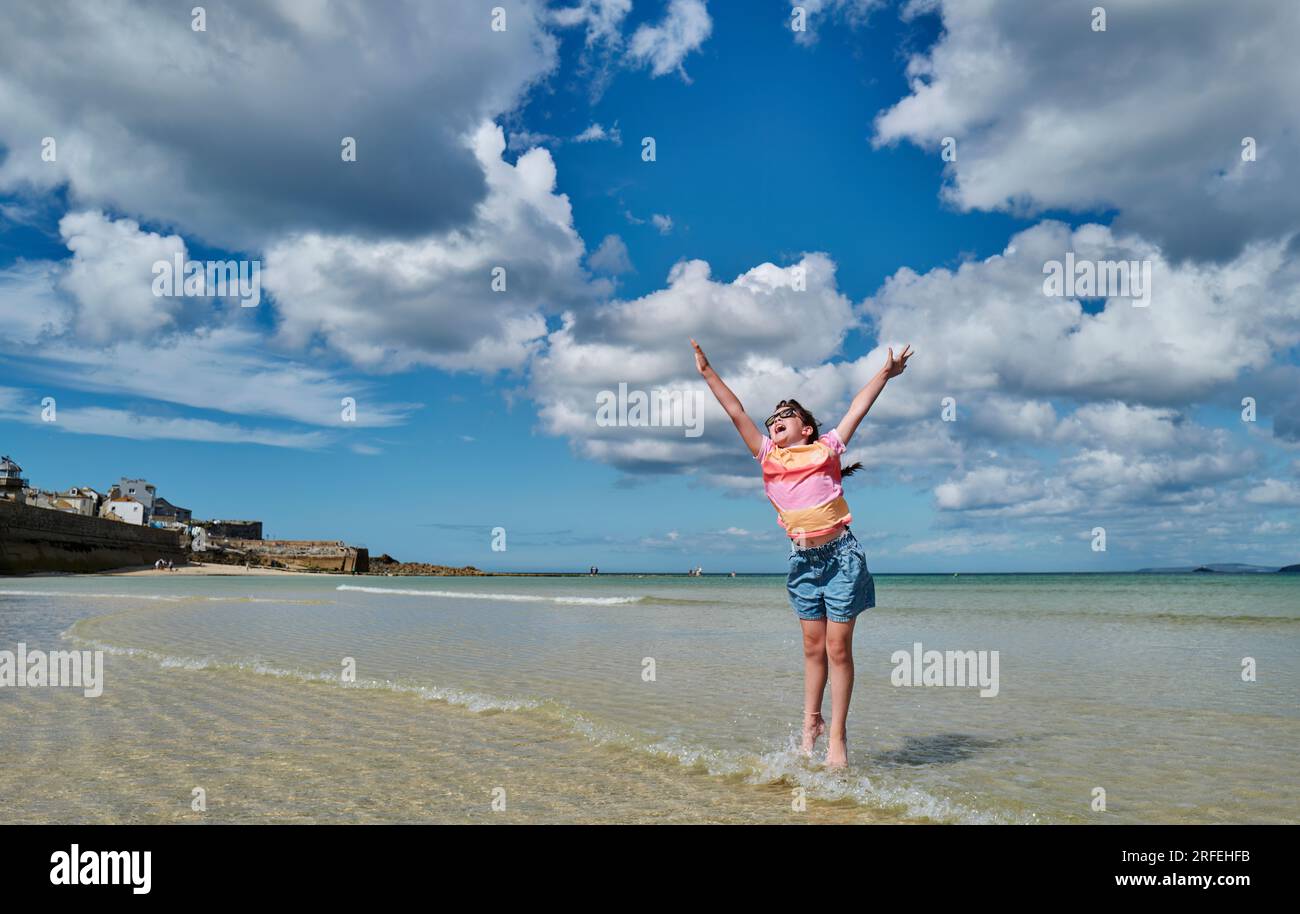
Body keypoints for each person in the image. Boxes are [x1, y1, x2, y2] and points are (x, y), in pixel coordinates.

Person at [692, 338, 912, 768]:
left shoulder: (827, 448)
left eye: (785, 416)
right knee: (813, 649)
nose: (775, 420)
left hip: (842, 556)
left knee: (838, 649)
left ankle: (838, 737)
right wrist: (706, 371)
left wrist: (885, 373)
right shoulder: (767, 455)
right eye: (771, 418)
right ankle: (810, 723)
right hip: (803, 563)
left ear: (806, 427)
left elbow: (857, 408)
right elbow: (735, 410)